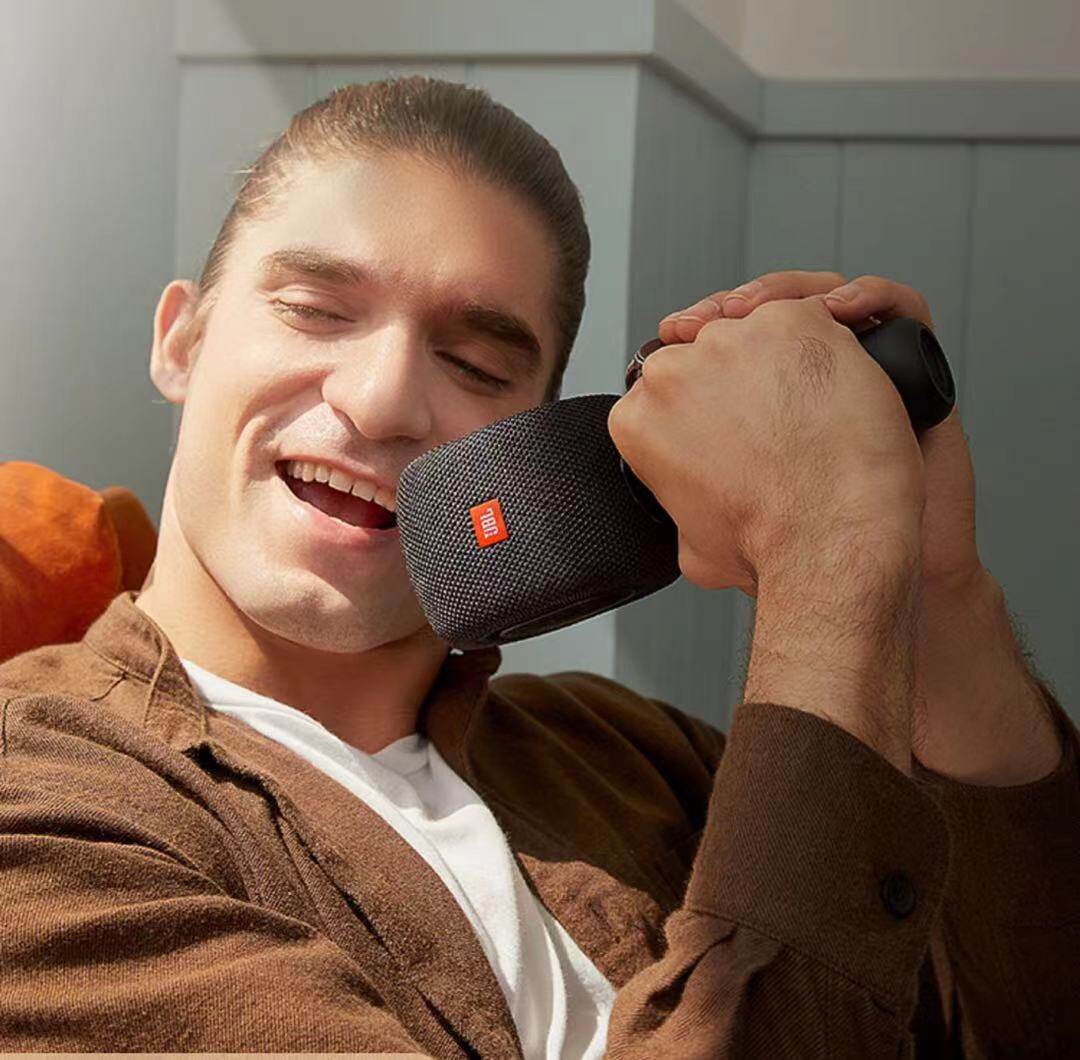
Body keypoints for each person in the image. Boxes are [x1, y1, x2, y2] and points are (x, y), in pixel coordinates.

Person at [0, 76, 1076, 1058]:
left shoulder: (627, 754)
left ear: (533, 441)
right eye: (317, 311)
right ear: (182, 341)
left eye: (476, 363)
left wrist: (932, 593)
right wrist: (826, 554)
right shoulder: (43, 803)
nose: (381, 401)